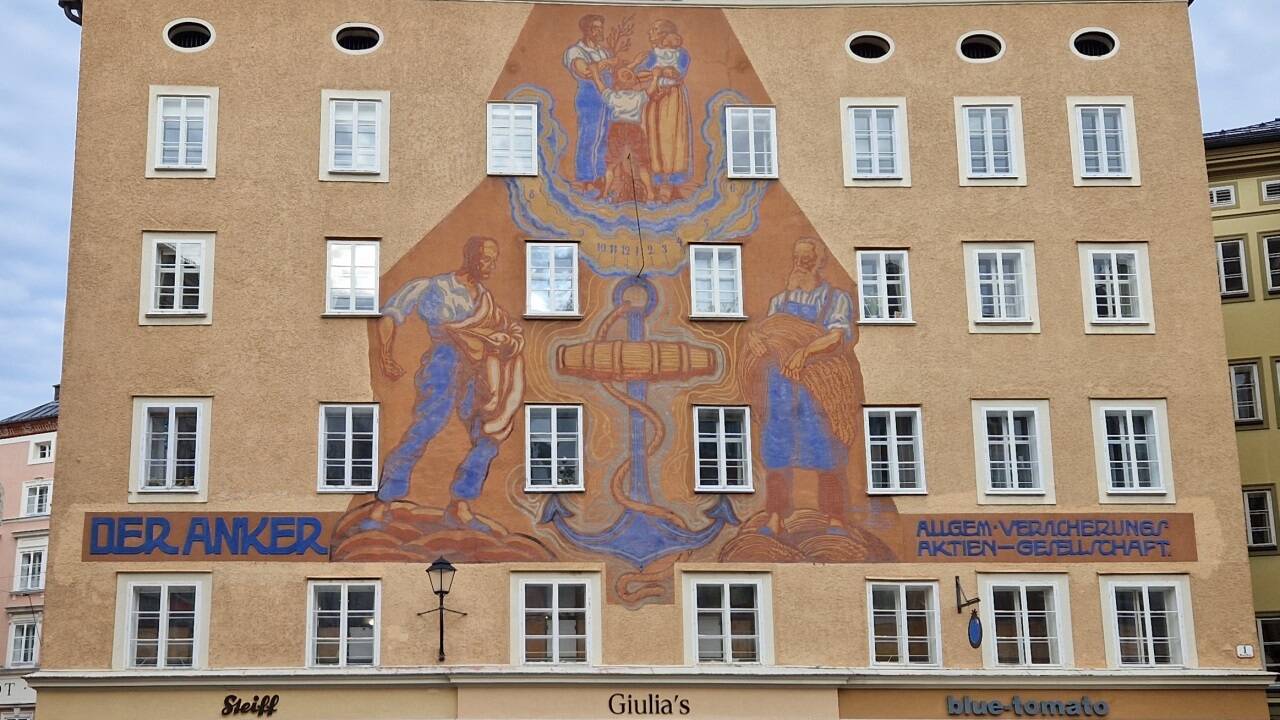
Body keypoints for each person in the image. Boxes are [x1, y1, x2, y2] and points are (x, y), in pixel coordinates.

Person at [375, 236, 524, 529]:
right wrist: (385, 355)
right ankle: (383, 503)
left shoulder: (485, 299)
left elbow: (509, 328)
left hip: (479, 370)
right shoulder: (436, 286)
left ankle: (461, 504)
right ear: (469, 256)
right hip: (443, 364)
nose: (490, 266)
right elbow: (392, 312)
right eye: (485, 258)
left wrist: (508, 340)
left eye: (494, 260)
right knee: (424, 429)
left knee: (488, 435)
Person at [744, 238, 857, 524]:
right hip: (780, 385)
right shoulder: (779, 301)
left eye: (807, 259)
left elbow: (836, 335)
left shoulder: (835, 298)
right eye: (797, 258)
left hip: (819, 382)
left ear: (819, 263)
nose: (800, 265)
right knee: (777, 447)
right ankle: (776, 516)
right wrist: (756, 339)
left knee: (825, 444)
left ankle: (834, 516)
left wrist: (805, 351)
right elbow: (771, 332)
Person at [635, 20, 691, 202]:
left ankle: (671, 185)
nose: (652, 33)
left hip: (673, 99)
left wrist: (662, 71)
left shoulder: (682, 54)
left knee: (674, 139)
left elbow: (678, 73)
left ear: (666, 34)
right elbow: (640, 74)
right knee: (654, 139)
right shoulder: (652, 55)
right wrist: (656, 73)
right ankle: (658, 184)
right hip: (655, 98)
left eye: (656, 30)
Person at [588, 64, 659, 202]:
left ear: (618, 84)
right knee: (642, 164)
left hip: (617, 128)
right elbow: (650, 91)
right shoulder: (638, 96)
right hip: (634, 129)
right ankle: (650, 193)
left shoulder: (614, 96)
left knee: (611, 164)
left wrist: (595, 72)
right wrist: (655, 77)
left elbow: (601, 87)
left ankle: (605, 193)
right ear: (632, 83)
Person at [564, 14, 615, 194]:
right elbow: (585, 72)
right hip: (589, 98)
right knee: (588, 138)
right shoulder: (575, 51)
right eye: (595, 28)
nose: (600, 31)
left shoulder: (604, 51)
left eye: (601, 27)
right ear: (586, 30)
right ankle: (587, 179)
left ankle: (600, 176)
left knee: (604, 138)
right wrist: (606, 63)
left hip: (606, 97)